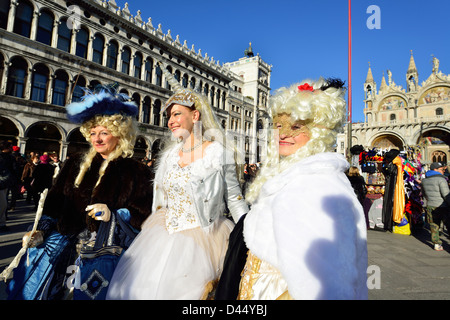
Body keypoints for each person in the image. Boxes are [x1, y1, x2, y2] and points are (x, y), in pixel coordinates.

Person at [106, 61, 248, 300]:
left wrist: (249, 233)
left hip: (207, 241)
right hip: (161, 237)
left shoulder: (217, 152)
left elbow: (234, 199)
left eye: (176, 114)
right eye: (168, 116)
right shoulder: (170, 155)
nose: (170, 121)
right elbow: (159, 201)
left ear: (195, 115)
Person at [216, 78, 368, 300]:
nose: (284, 134)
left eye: (296, 127)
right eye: (279, 126)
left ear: (318, 132)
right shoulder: (289, 177)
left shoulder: (321, 184)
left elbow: (332, 281)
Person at [5, 83, 153, 300]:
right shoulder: (75, 163)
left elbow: (144, 214)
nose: (97, 139)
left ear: (119, 134)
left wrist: (115, 214)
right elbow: (54, 203)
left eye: (104, 132)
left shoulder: (137, 171)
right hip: (64, 246)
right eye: (93, 133)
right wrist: (41, 230)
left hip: (106, 252)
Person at [421, 162, 450, 251]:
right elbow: (446, 195)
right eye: (442, 169)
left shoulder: (424, 180)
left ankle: (436, 244)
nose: (443, 171)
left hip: (430, 205)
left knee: (434, 226)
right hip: (443, 206)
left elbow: (424, 194)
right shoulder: (441, 180)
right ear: (435, 170)